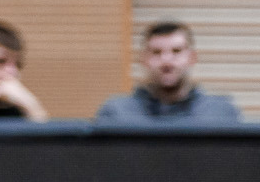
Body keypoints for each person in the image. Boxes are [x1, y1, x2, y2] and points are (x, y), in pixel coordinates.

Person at [95, 21, 242, 123]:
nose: (166, 61)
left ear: (192, 58)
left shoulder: (220, 113)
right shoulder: (117, 114)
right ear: (143, 59)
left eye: (176, 51)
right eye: (156, 52)